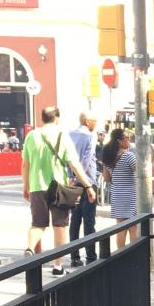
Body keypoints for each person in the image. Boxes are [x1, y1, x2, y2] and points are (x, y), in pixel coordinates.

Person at [20, 106, 96, 276]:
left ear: (42, 118)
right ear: (57, 118)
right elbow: (74, 164)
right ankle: (58, 266)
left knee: (38, 224)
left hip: (36, 186)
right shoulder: (63, 136)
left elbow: (25, 164)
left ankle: (30, 249)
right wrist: (88, 186)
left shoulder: (31, 136)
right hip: (58, 187)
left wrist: (25, 186)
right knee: (59, 226)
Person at [67, 113, 101, 266]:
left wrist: (72, 176)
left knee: (75, 220)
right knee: (89, 220)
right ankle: (91, 256)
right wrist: (82, 177)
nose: (96, 124)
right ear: (88, 121)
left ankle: (74, 257)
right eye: (95, 121)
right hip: (88, 182)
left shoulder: (69, 135)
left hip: (72, 182)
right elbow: (87, 159)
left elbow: (66, 158)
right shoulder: (90, 136)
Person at [102, 127, 140, 250]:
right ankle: (134, 256)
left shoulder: (108, 157)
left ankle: (120, 255)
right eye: (127, 138)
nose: (129, 140)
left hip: (117, 195)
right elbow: (139, 174)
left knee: (120, 227)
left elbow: (106, 178)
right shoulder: (129, 156)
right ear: (119, 141)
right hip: (130, 195)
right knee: (133, 227)